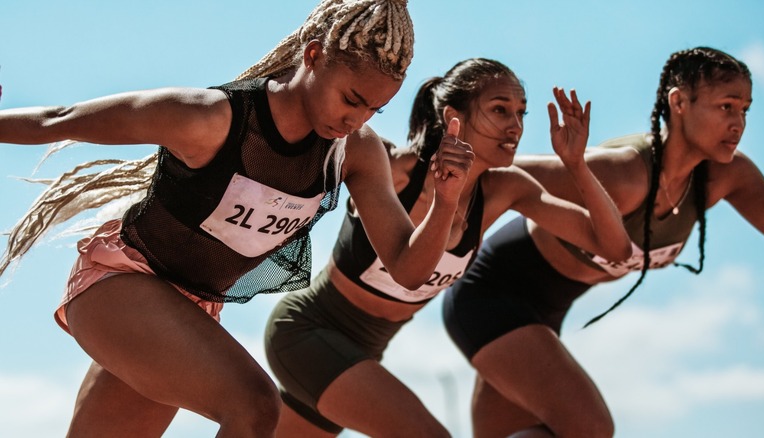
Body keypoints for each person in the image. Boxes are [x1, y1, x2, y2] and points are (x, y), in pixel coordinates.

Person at [0, 1, 477, 436]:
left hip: (188, 313)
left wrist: (446, 199)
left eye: (376, 107)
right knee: (253, 405)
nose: (358, 118)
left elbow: (409, 268)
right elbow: (58, 119)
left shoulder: (354, 152)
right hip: (121, 284)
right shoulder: (211, 119)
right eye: (351, 99)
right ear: (312, 57)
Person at [264, 58, 632, 437]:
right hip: (307, 332)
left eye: (521, 113)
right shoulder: (393, 170)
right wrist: (213, 280)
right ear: (453, 116)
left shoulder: (505, 189)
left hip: (363, 354)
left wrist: (576, 165)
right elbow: (283, 183)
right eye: (500, 110)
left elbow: (615, 248)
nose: (516, 125)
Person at [442, 47, 764, 438]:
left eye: (745, 109)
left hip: (546, 317)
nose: (738, 122)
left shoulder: (727, 175)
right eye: (726, 106)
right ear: (679, 102)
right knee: (590, 428)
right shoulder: (621, 172)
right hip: (491, 295)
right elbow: (492, 172)